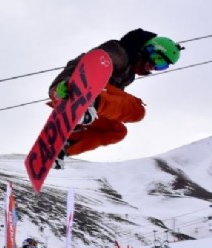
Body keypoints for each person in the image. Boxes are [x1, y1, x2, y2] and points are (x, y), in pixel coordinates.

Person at [49, 28, 184, 169]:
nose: (154, 67)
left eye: (162, 66)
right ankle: (90, 103)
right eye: (157, 59)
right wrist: (68, 85)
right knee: (137, 110)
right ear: (147, 49)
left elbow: (114, 101)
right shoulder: (120, 53)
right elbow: (93, 62)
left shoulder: (129, 73)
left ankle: (62, 147)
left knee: (117, 132)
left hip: (77, 99)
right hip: (68, 88)